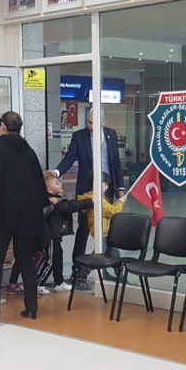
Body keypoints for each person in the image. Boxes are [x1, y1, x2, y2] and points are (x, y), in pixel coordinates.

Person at [0, 111, 50, 324]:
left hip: (1, 214)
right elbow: (39, 186)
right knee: (25, 258)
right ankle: (31, 305)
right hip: (27, 215)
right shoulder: (29, 153)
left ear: (2, 126)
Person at [49, 109, 126, 292]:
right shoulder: (79, 136)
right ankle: (77, 273)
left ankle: (108, 270)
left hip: (107, 190)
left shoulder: (111, 135)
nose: (91, 126)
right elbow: (69, 158)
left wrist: (120, 189)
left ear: (103, 122)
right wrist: (56, 172)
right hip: (86, 191)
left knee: (107, 230)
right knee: (83, 230)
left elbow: (116, 163)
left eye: (94, 122)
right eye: (89, 122)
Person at [42, 174, 93, 291]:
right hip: (50, 236)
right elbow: (70, 206)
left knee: (57, 258)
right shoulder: (52, 202)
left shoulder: (54, 199)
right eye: (56, 183)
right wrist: (90, 201)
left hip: (55, 236)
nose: (60, 184)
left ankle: (59, 282)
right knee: (50, 261)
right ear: (49, 190)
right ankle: (38, 284)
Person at [79, 171, 126, 277]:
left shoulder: (99, 198)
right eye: (105, 184)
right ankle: (81, 276)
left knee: (115, 256)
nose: (107, 187)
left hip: (106, 232)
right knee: (97, 256)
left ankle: (119, 277)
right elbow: (112, 211)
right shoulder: (98, 200)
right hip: (102, 233)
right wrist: (121, 201)